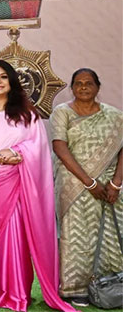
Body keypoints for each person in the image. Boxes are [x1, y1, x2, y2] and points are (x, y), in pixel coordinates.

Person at [0, 60, 75, 312]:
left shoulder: (27, 112)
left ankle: (19, 291)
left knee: (19, 236)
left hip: (21, 179)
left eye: (3, 76)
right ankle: (0, 288)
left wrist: (15, 152)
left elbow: (38, 145)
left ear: (12, 80)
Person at [50, 68, 123, 307]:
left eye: (89, 83)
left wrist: (116, 183)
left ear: (98, 87)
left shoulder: (115, 116)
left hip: (111, 187)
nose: (83, 87)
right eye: (78, 83)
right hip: (75, 184)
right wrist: (89, 182)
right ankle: (75, 288)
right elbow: (60, 147)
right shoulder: (62, 112)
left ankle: (111, 282)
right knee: (76, 236)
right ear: (72, 88)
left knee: (111, 234)